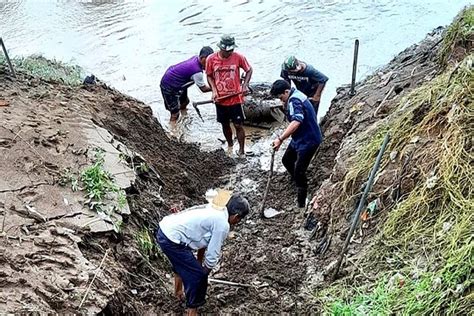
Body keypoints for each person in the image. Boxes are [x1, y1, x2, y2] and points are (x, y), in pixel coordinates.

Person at [155, 193, 250, 316]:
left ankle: (178, 293)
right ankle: (192, 311)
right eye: (239, 219)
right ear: (236, 216)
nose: (237, 222)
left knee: (184, 264)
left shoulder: (216, 208)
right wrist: (202, 274)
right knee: (196, 277)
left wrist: (199, 261)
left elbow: (205, 241)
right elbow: (212, 254)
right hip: (172, 239)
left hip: (165, 229)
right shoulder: (222, 224)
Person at [270, 79, 323, 208]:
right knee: (287, 160)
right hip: (299, 138)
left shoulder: (294, 100)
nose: (281, 100)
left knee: (300, 171)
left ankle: (301, 203)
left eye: (281, 96)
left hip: (309, 140)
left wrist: (280, 139)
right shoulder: (295, 95)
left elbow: (296, 121)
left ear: (286, 91)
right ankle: (297, 181)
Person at [206, 35, 253, 157]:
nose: (230, 53)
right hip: (220, 100)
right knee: (225, 124)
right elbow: (209, 76)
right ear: (221, 48)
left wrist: (245, 85)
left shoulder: (238, 57)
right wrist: (214, 91)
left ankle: (241, 150)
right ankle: (230, 145)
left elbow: (249, 70)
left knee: (238, 125)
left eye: (231, 50)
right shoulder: (211, 59)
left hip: (235, 99)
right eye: (227, 51)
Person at [160, 46, 214, 121]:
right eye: (209, 62)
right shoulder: (197, 72)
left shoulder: (196, 59)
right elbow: (203, 89)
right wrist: (216, 89)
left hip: (179, 82)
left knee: (185, 102)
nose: (210, 64)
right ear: (202, 58)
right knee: (175, 113)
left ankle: (184, 119)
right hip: (169, 86)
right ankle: (172, 131)